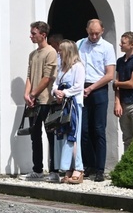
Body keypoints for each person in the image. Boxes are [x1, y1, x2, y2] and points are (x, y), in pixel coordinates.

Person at [77, 19, 115, 182]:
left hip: (98, 89)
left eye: (97, 33)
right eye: (91, 33)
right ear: (86, 30)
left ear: (102, 31)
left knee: (99, 129)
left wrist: (91, 88)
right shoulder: (79, 44)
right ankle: (89, 164)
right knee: (83, 130)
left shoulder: (107, 47)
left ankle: (100, 169)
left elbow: (109, 74)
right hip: (81, 88)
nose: (94, 36)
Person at [23, 21, 58, 181]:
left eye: (34, 33)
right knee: (34, 135)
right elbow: (30, 75)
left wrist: (34, 94)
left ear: (43, 35)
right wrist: (27, 94)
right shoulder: (32, 54)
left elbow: (47, 77)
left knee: (51, 135)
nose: (31, 36)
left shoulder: (51, 52)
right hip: (34, 101)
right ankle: (37, 168)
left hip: (46, 100)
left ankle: (54, 171)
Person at [52, 40, 86, 184]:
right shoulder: (62, 68)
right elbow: (55, 83)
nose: (59, 52)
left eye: (61, 50)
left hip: (73, 105)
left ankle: (78, 167)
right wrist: (56, 92)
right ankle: (67, 168)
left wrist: (64, 93)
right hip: (62, 105)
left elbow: (78, 86)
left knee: (73, 135)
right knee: (63, 136)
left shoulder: (78, 67)